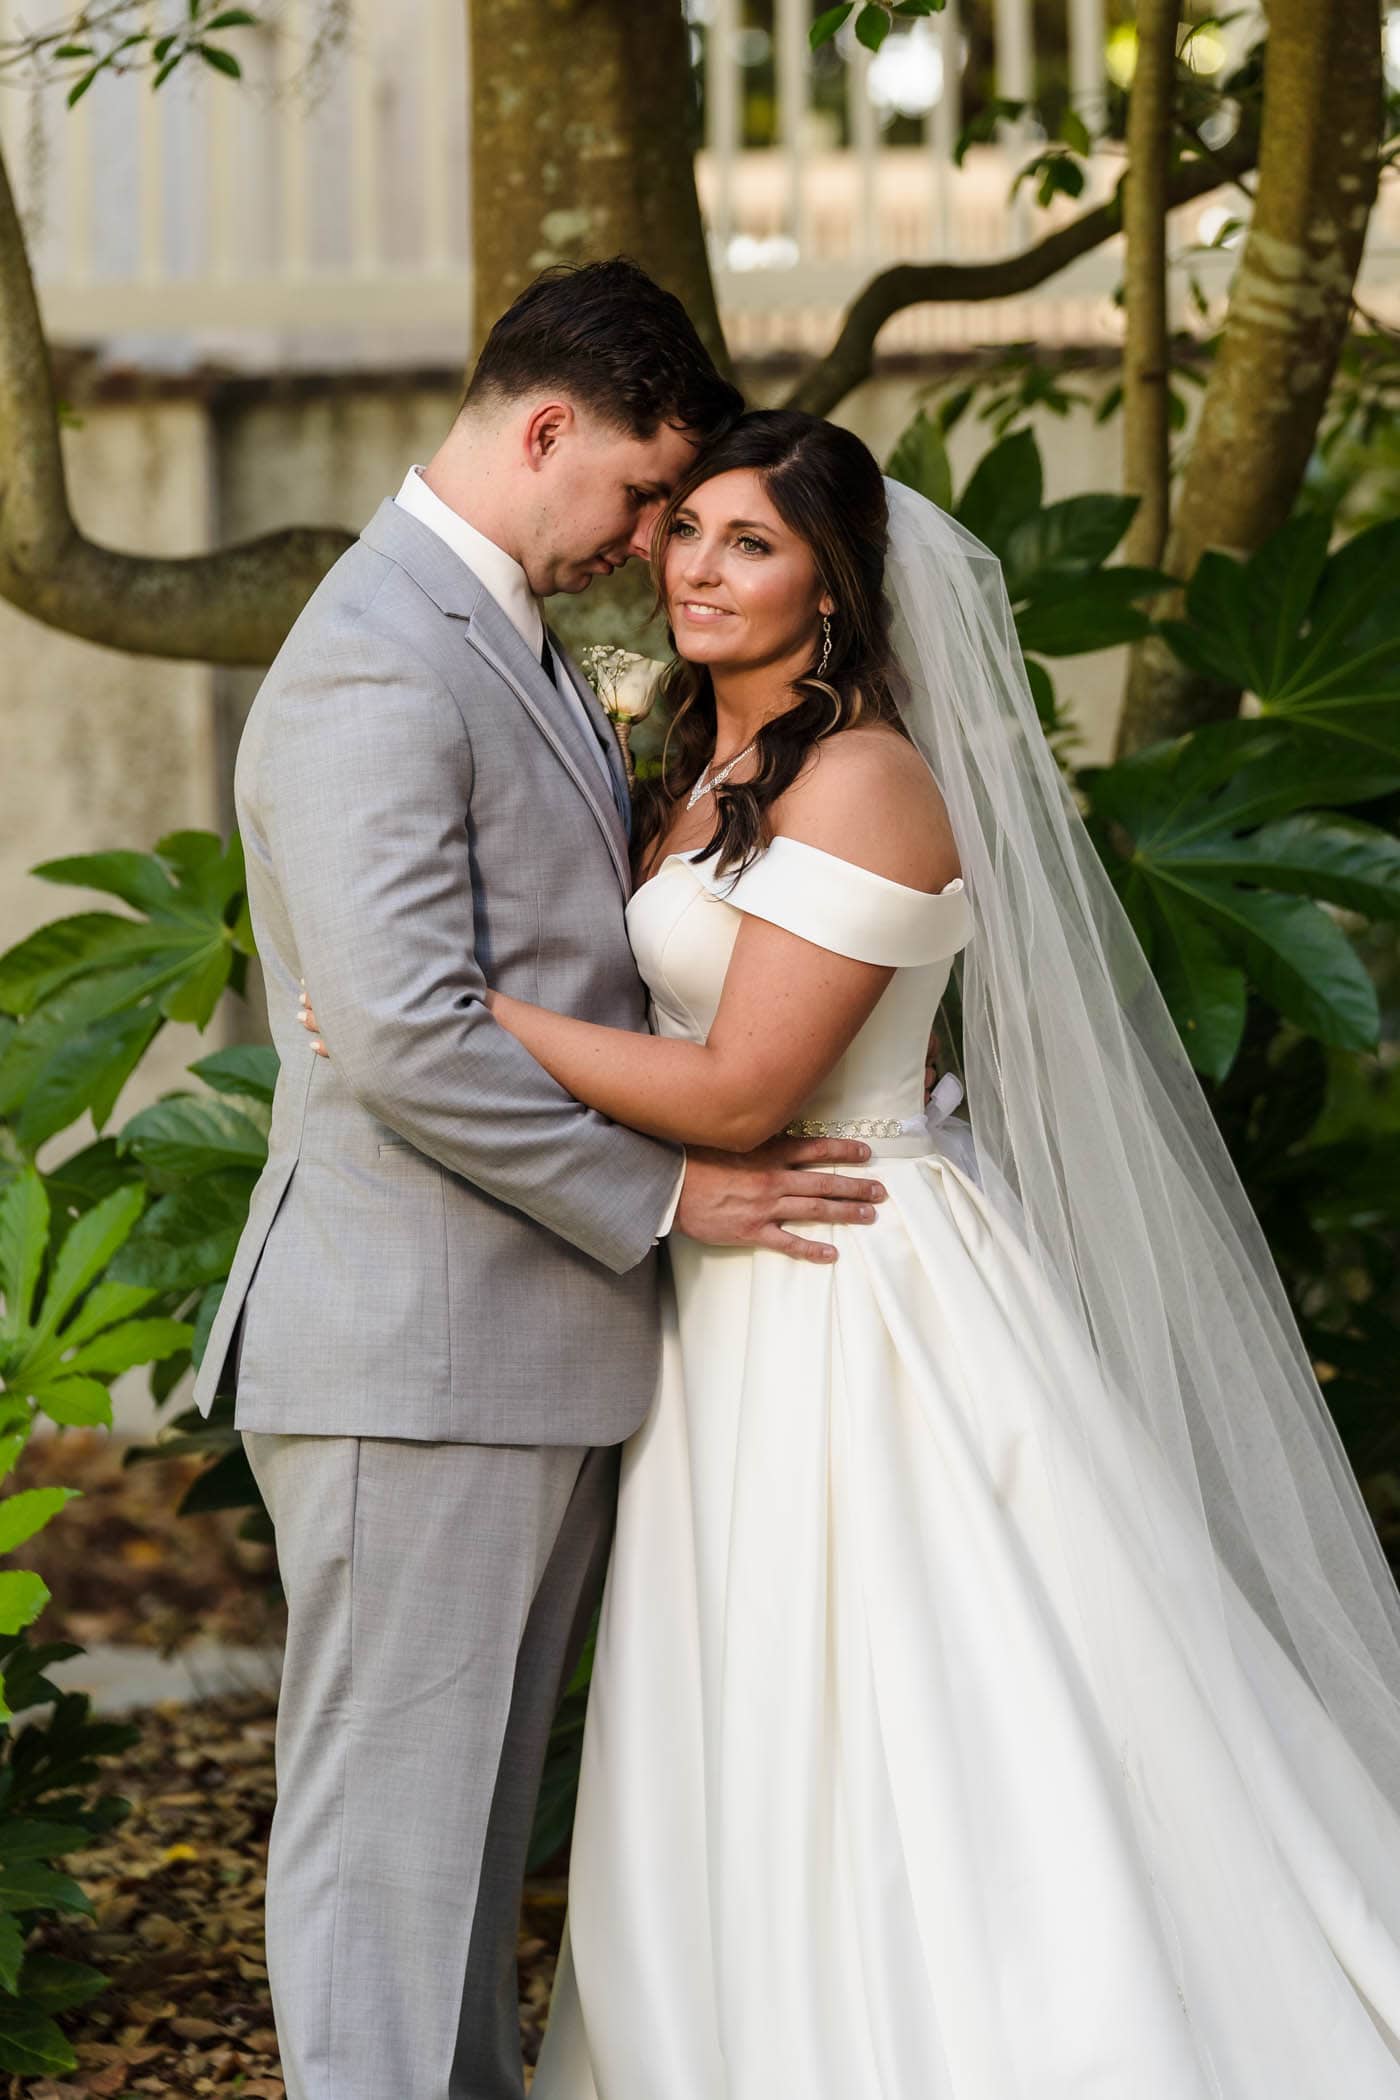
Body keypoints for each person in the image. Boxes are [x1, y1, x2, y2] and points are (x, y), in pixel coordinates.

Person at [308, 406, 1400, 2095]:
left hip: (853, 1293)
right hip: (719, 1306)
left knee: (909, 1694)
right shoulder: (697, 769)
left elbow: (745, 1088)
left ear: (836, 589)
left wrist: (457, 1019)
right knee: (735, 1717)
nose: (698, 568)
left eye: (754, 545)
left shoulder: (868, 781)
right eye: (689, 532)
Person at [193, 268, 893, 2100]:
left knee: (469, 1846)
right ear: (544, 431)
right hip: (414, 1349)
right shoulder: (374, 651)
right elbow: (410, 1037)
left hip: (519, 1345)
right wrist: (675, 1199)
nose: (654, 543)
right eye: (647, 496)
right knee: (383, 1853)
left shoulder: (488, 625)